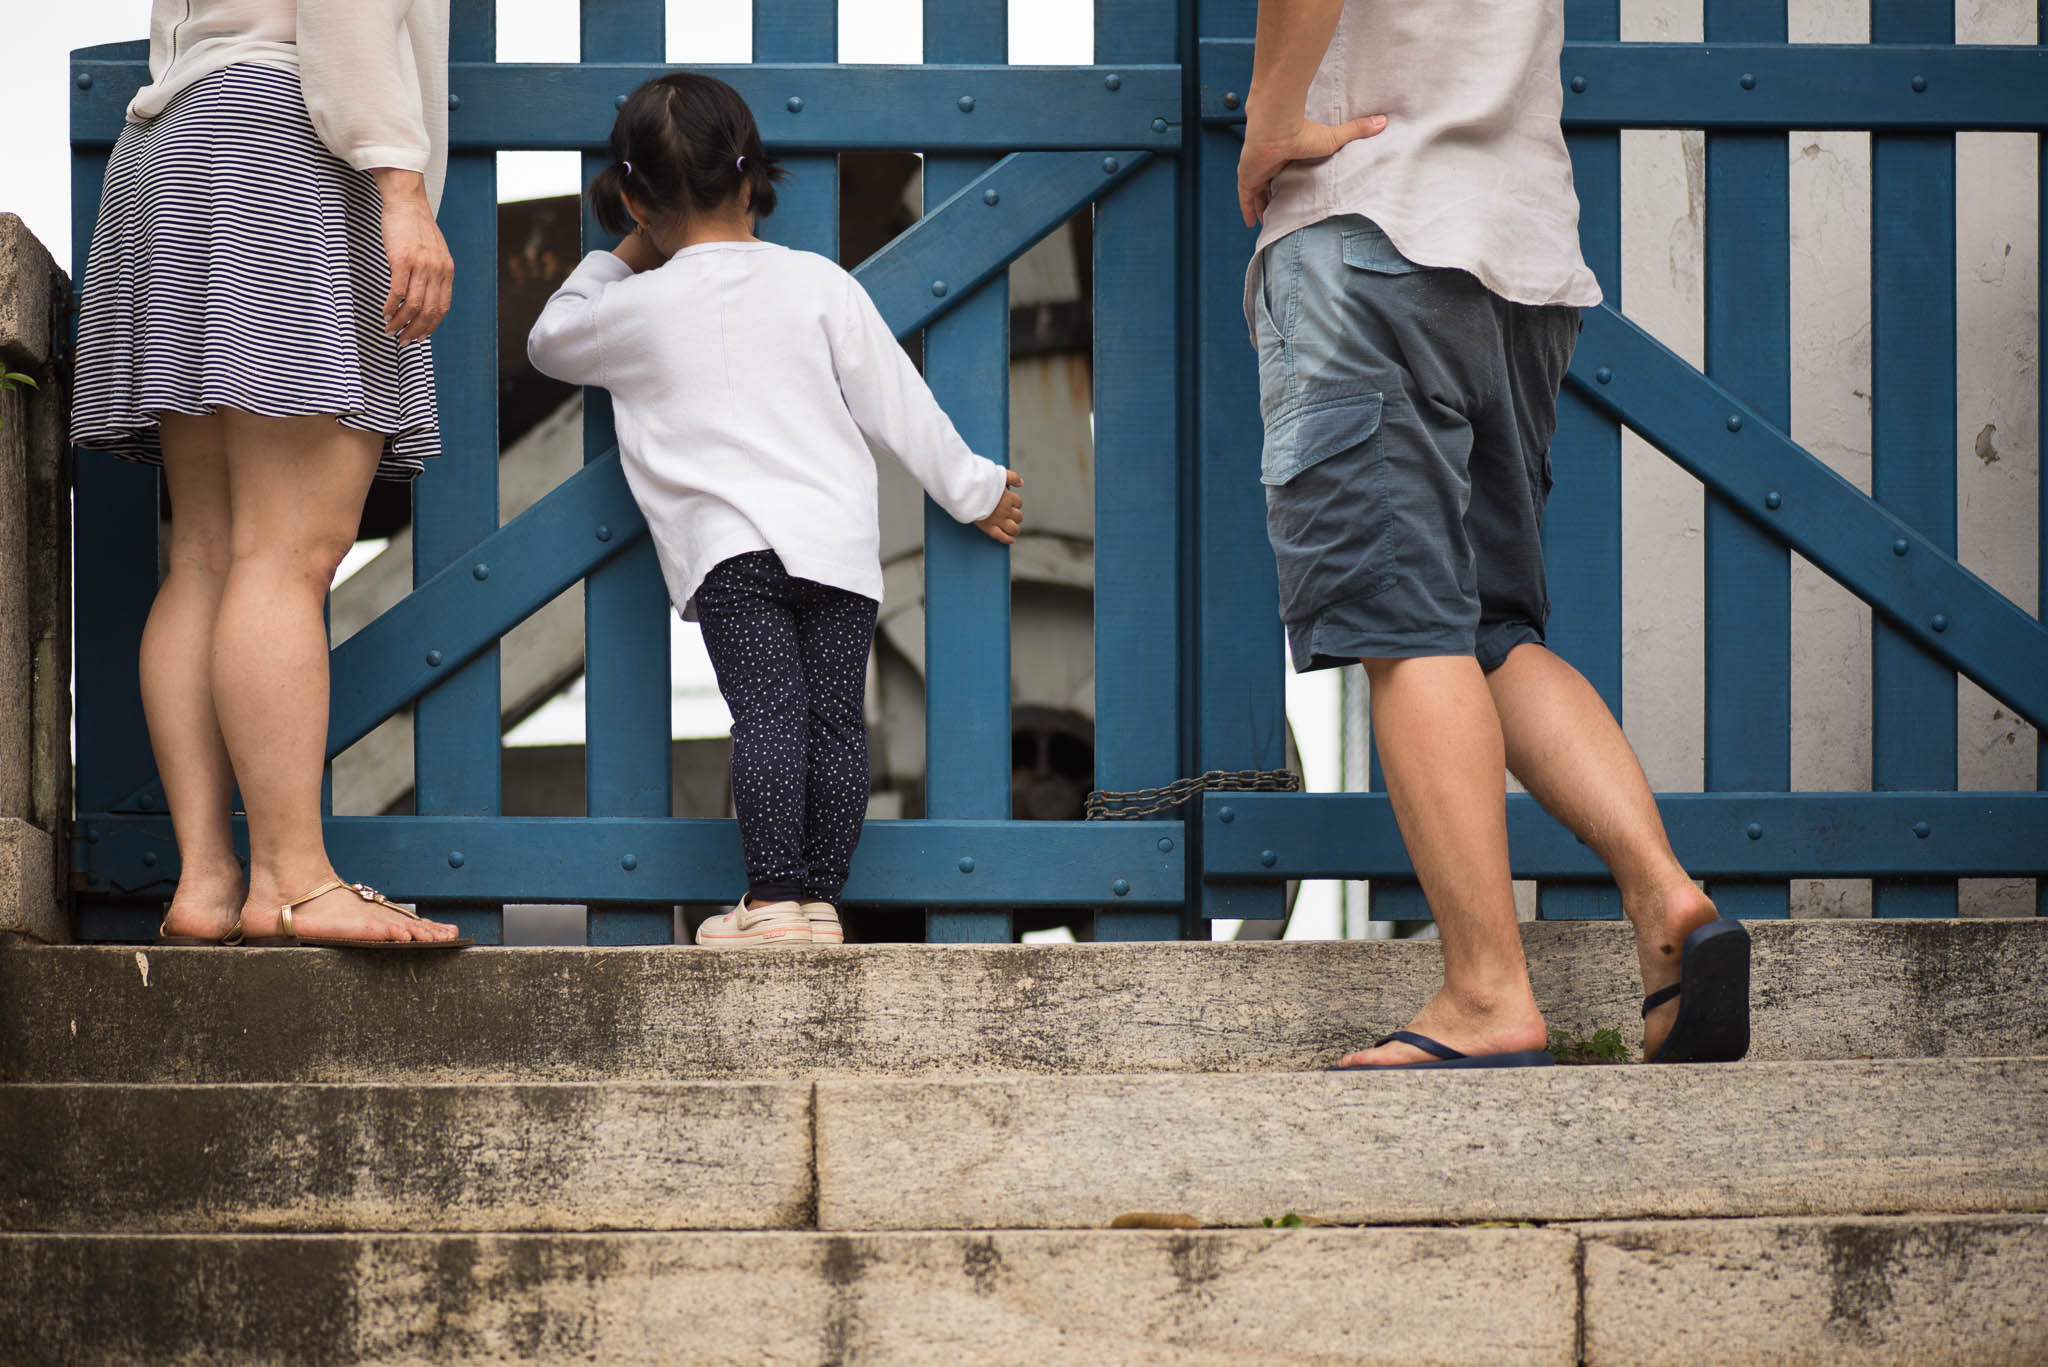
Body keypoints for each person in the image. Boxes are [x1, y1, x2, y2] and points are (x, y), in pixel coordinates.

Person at [1236, 0, 1747, 1065]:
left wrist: (1269, 121)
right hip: (1517, 259)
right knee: (1489, 632)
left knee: (1406, 628)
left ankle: (1483, 989)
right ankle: (1666, 898)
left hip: (1368, 231)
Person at [527, 74, 1024, 948]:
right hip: (837, 549)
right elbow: (897, 402)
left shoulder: (634, 308)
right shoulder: (818, 284)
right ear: (753, 179)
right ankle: (819, 903)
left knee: (767, 718)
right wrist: (973, 489)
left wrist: (624, 253)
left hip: (735, 555)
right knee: (834, 723)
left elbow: (549, 339)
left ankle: (769, 900)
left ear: (634, 198)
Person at [71, 1, 467, 949]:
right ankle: (292, 878)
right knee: (286, 551)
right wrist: (401, 192)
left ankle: (207, 881)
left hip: (176, 146)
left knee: (208, 552)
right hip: (281, 149)